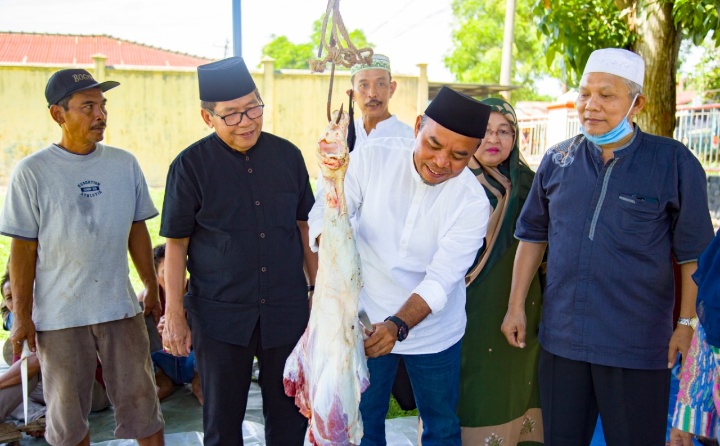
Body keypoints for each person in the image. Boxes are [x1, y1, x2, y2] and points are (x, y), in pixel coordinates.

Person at [501, 47, 715, 445]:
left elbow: (694, 257)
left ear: (637, 104)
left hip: (636, 345)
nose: (591, 106)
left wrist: (686, 325)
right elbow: (532, 236)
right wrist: (515, 306)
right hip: (563, 341)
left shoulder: (673, 163)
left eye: (607, 95)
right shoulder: (558, 159)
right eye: (584, 94)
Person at [309, 86, 492, 445]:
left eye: (459, 156)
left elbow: (441, 280)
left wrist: (397, 325)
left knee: (441, 423)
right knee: (364, 420)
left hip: (434, 329)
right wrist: (328, 240)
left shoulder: (472, 202)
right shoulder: (372, 157)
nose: (441, 163)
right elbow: (326, 210)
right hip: (365, 320)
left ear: (474, 154)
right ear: (418, 126)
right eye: (434, 145)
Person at [0, 68, 164, 446]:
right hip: (60, 317)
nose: (100, 115)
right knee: (67, 418)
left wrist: (150, 286)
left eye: (102, 105)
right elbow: (22, 250)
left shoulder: (124, 164)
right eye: (87, 106)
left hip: (119, 309)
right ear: (58, 114)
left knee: (143, 404)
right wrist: (22, 317)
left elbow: (137, 231)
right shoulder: (32, 172)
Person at [160, 56, 317, 446]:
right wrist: (174, 312)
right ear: (207, 117)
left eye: (253, 108)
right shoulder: (190, 166)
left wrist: (318, 292)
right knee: (222, 422)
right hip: (219, 315)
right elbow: (176, 244)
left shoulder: (288, 156)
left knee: (290, 415)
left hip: (286, 309)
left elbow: (305, 227)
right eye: (231, 115)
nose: (247, 121)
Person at [458, 98, 543, 445]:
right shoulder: (452, 178)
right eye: (485, 130)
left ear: (516, 135)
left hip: (520, 303)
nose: (494, 138)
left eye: (504, 130)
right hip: (463, 307)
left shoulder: (531, 183)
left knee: (516, 382)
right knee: (469, 388)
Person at [141, 244, 202, 404]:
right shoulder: (146, 299)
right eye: (166, 273)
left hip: (193, 358)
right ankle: (161, 381)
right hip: (162, 360)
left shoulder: (198, 292)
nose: (174, 277)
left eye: (179, 270)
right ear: (155, 277)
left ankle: (199, 383)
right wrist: (158, 331)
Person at [346, 53, 414, 151]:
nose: (372, 93)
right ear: (352, 94)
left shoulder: (410, 140)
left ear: (392, 89)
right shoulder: (341, 138)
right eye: (364, 85)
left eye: (380, 84)